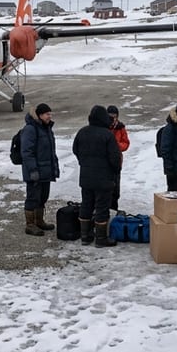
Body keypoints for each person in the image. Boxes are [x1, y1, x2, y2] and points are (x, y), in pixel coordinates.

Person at [73, 105, 122, 247]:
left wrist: (84, 162)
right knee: (102, 207)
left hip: (86, 177)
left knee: (86, 204)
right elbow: (114, 157)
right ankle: (101, 238)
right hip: (104, 178)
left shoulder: (82, 132)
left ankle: (85, 236)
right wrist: (115, 171)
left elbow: (75, 149)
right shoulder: (107, 135)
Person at [19, 102, 60, 236]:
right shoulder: (30, 129)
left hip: (45, 170)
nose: (50, 116)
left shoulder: (46, 128)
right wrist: (33, 170)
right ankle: (30, 225)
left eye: (50, 114)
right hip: (35, 171)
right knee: (33, 198)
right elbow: (26, 152)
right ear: (40, 115)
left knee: (43, 197)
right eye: (47, 114)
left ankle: (39, 220)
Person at [106, 104, 131, 211]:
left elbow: (126, 143)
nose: (113, 118)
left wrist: (115, 145)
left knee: (115, 192)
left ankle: (114, 211)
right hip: (104, 163)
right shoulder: (103, 127)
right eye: (110, 116)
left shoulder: (121, 127)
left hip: (116, 163)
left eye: (114, 116)